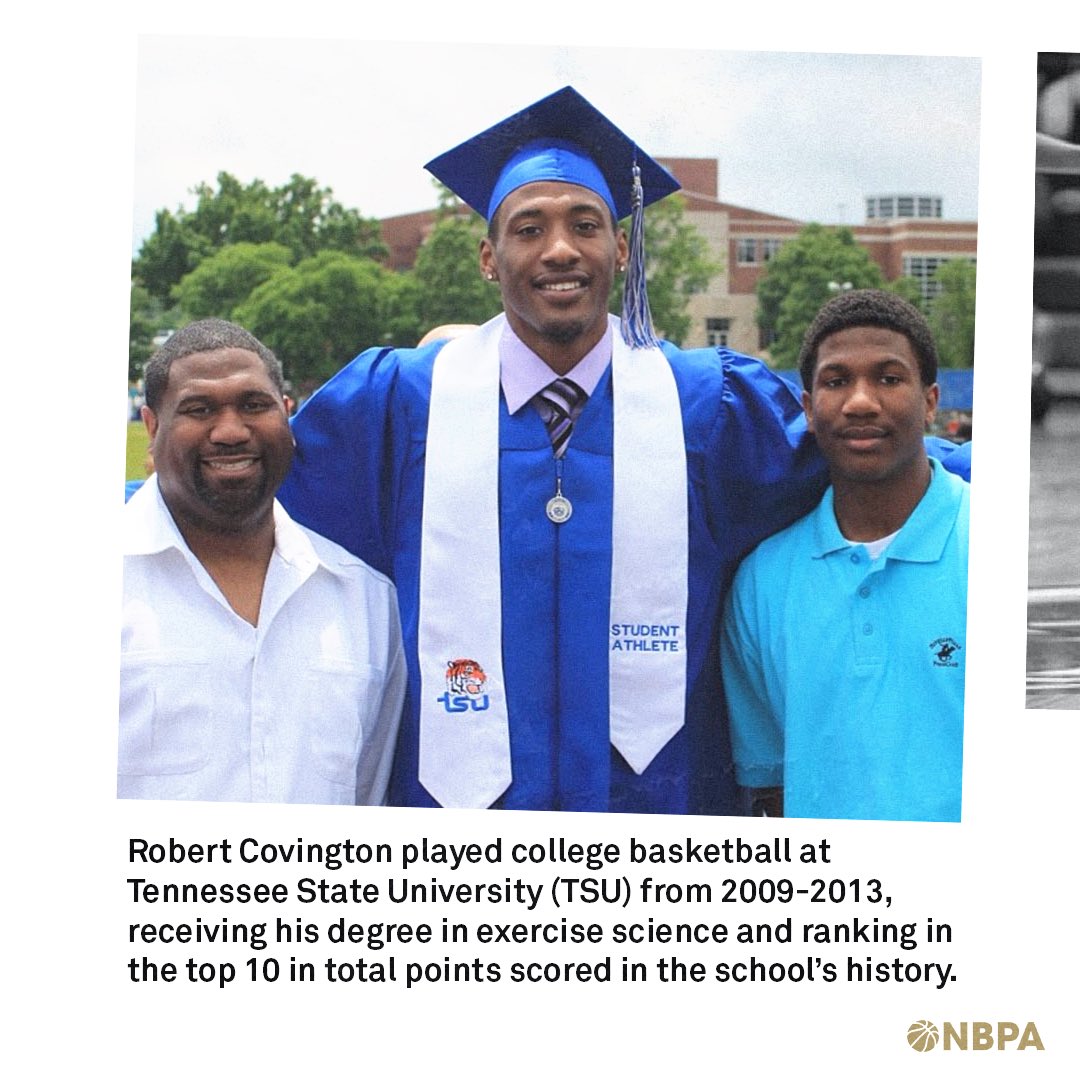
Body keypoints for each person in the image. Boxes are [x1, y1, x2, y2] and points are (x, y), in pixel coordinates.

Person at [279, 87, 965, 814]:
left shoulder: (709, 407)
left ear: (622, 249)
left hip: (664, 820)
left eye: (585, 225)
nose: (560, 249)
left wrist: (983, 471)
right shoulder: (399, 405)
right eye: (528, 229)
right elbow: (255, 486)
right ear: (488, 257)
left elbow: (856, 451)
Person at [120, 319, 406, 803]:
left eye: (254, 405)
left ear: (287, 414)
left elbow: (369, 795)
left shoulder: (367, 603)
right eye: (199, 409)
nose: (231, 431)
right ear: (152, 427)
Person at [721, 290, 968, 822]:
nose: (860, 402)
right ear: (809, 409)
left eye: (889, 378)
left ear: (930, 402)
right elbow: (771, 788)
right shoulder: (762, 581)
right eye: (836, 382)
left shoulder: (988, 540)